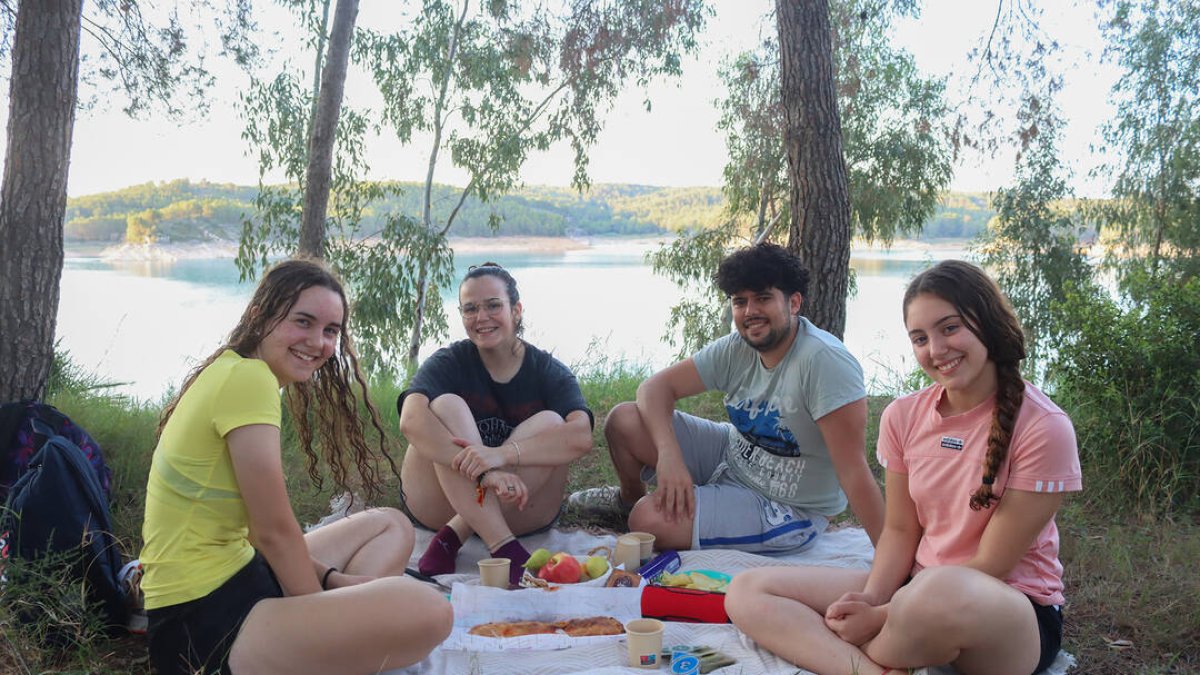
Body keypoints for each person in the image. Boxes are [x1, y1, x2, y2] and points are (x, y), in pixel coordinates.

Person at [724, 260, 1082, 675]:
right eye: (920, 338)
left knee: (938, 588)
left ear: (986, 321)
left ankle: (858, 649)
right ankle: (870, 670)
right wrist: (874, 597)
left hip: (1008, 613)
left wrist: (879, 617)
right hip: (914, 588)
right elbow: (899, 530)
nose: (936, 349)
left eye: (950, 328)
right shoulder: (903, 416)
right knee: (748, 590)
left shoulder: (1043, 427)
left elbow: (993, 565)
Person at [139, 258, 452, 675]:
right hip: (201, 621)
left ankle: (313, 637)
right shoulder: (249, 381)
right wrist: (324, 613)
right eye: (303, 322)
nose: (318, 342)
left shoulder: (236, 370)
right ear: (261, 315)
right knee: (431, 609)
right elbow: (272, 530)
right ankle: (314, 647)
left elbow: (253, 532)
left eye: (330, 331)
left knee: (391, 525)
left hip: (240, 570)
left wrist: (330, 580)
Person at [571, 242, 884, 554]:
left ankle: (676, 509)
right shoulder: (737, 346)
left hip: (787, 504)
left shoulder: (824, 362)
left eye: (763, 298)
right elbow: (654, 388)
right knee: (624, 420)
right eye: (740, 301)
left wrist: (891, 559)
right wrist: (669, 455)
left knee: (648, 519)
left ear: (794, 303)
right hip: (731, 455)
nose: (750, 312)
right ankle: (625, 502)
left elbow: (854, 471)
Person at [398, 262, 594, 586]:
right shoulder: (450, 362)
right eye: (470, 309)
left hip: (520, 507)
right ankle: (506, 549)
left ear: (516, 310)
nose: (481, 317)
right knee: (445, 405)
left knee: (551, 421)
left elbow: (581, 436)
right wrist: (487, 472)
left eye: (493, 305)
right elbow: (411, 420)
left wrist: (503, 456)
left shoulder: (547, 370)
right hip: (437, 504)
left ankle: (457, 532)